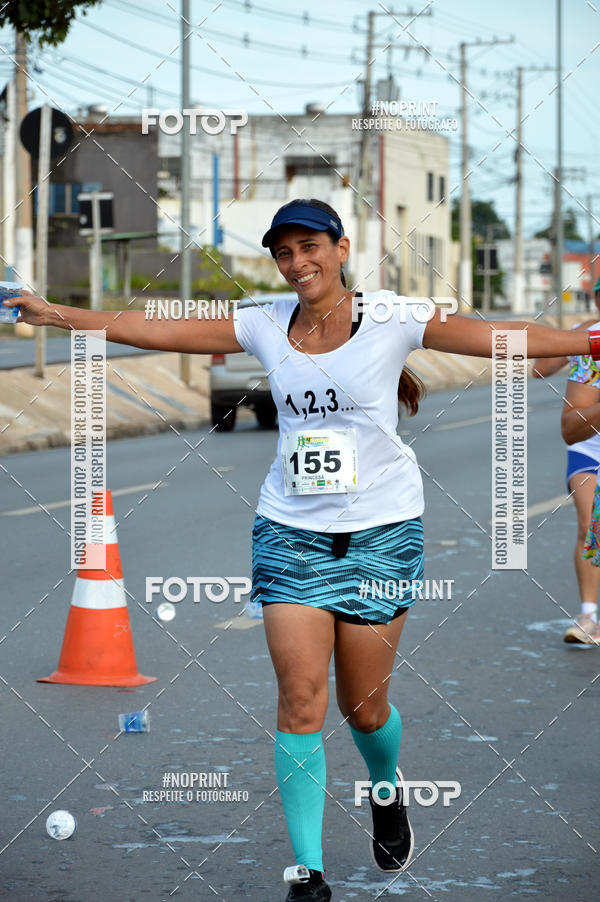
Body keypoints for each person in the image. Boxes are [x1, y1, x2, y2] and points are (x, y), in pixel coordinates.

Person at [6, 198, 597, 902]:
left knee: (365, 706)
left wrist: (588, 344)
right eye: (284, 252)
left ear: (341, 248)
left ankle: (385, 788)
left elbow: (498, 334)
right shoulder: (262, 323)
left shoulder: (390, 319)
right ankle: (308, 875)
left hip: (383, 533)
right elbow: (151, 326)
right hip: (290, 534)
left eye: (309, 246)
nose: (297, 263)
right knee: (300, 699)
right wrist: (53, 313)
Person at [533, 276, 600, 644]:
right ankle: (588, 616)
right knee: (591, 525)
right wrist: (575, 337)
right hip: (590, 447)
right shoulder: (590, 339)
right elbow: (539, 369)